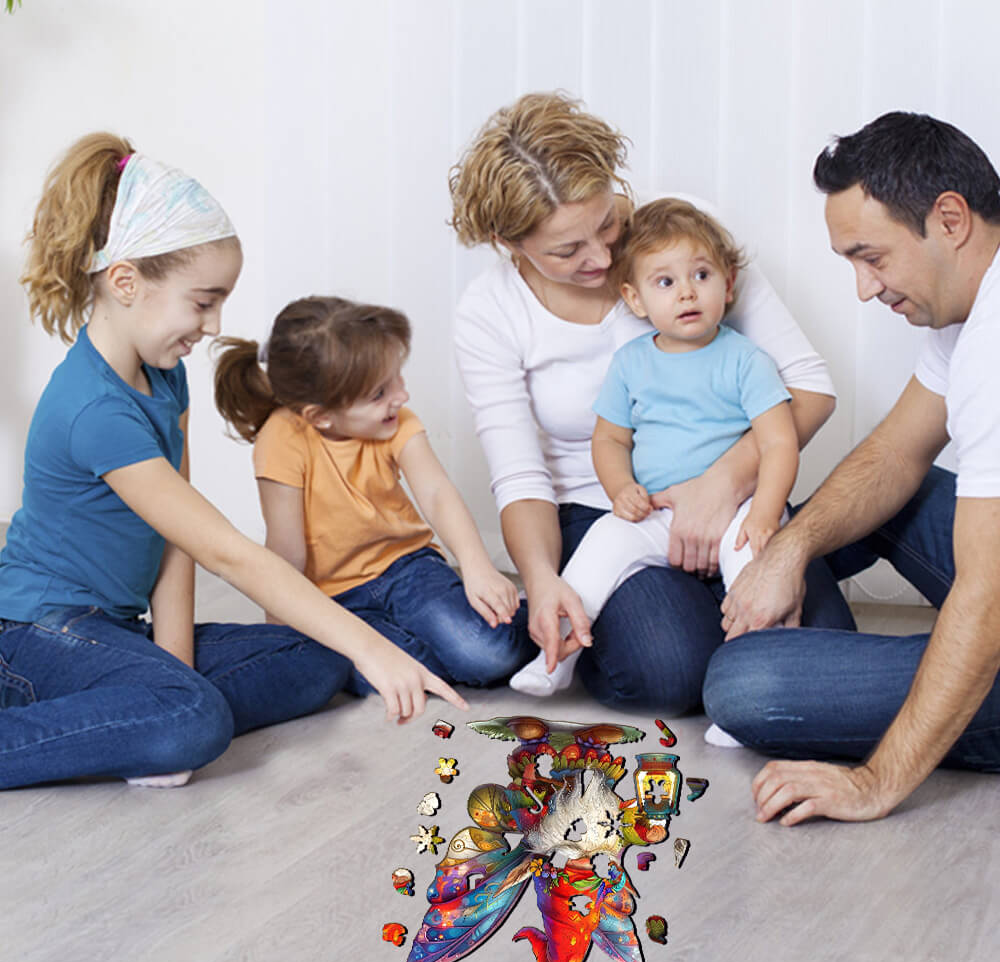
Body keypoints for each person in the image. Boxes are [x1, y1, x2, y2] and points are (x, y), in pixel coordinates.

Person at [0, 133, 466, 792]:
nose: (215, 322)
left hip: (115, 628)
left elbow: (179, 545)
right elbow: (229, 552)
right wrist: (375, 650)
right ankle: (133, 718)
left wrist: (176, 665)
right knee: (191, 720)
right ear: (126, 281)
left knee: (313, 656)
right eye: (202, 300)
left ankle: (130, 715)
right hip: (38, 632)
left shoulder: (166, 378)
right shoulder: (93, 409)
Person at [451, 92, 855, 714]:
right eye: (568, 251)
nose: (604, 257)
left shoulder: (684, 244)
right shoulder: (490, 311)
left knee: (824, 644)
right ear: (510, 243)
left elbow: (809, 387)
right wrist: (542, 580)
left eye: (607, 222)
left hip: (738, 487)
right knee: (673, 672)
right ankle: (629, 627)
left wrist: (722, 485)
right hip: (605, 509)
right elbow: (521, 476)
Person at [703, 111, 1000, 825]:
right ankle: (794, 611)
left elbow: (988, 598)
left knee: (747, 684)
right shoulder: (968, 308)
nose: (866, 289)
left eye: (873, 257)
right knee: (882, 496)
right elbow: (895, 453)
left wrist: (874, 783)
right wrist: (789, 552)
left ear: (950, 218)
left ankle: (893, 680)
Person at [509, 198, 798, 696]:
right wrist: (621, 489)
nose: (687, 292)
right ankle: (554, 657)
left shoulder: (745, 360)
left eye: (702, 275)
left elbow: (779, 443)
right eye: (665, 282)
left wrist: (765, 515)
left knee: (755, 580)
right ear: (636, 299)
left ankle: (753, 689)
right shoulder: (631, 363)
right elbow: (611, 438)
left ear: (729, 285)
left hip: (736, 510)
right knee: (599, 550)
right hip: (656, 510)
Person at [213, 296, 535, 690]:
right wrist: (285, 632)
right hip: (335, 596)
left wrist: (477, 567)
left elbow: (436, 493)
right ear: (321, 415)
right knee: (372, 675)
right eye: (380, 393)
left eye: (397, 378)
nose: (401, 397)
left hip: (408, 568)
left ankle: (533, 613)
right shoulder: (280, 438)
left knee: (486, 655)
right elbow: (286, 551)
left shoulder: (397, 421)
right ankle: (447, 644)